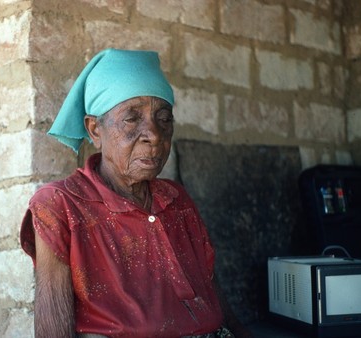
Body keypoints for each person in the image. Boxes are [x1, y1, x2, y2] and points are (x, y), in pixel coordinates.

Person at [20, 48, 252, 338]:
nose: (153, 134)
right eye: (131, 119)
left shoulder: (177, 200)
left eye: (164, 119)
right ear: (95, 130)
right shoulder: (59, 206)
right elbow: (54, 331)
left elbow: (214, 295)